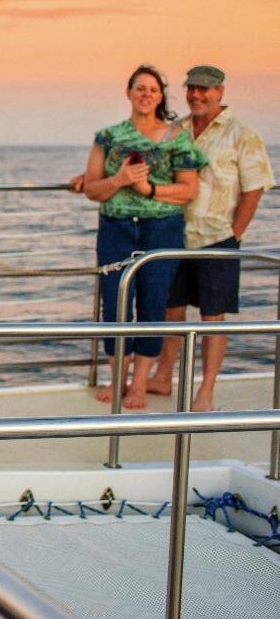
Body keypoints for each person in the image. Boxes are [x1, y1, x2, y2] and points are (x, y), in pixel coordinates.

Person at [147, 65, 274, 411]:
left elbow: (254, 188)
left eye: (204, 89)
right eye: (191, 88)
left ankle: (206, 392)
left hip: (218, 238)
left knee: (212, 317)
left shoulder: (242, 133)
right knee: (171, 310)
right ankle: (162, 377)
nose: (196, 95)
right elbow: (151, 165)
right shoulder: (177, 130)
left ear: (220, 92)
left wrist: (234, 235)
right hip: (175, 235)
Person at [80, 64, 204, 409]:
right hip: (116, 228)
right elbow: (92, 189)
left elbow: (188, 189)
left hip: (161, 228)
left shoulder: (176, 137)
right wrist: (120, 180)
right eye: (140, 88)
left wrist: (148, 189)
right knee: (114, 303)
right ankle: (118, 377)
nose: (146, 94)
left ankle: (138, 384)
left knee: (153, 304)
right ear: (129, 93)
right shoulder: (107, 137)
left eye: (153, 89)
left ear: (161, 96)